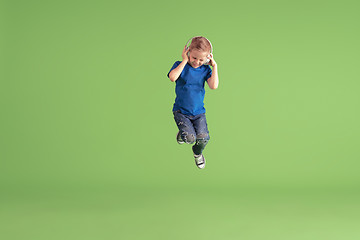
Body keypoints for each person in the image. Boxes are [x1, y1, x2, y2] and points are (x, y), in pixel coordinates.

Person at [167, 36, 219, 169]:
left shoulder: (206, 70)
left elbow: (213, 86)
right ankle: (183, 133)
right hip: (181, 112)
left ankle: (197, 154)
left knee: (203, 138)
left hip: (198, 113)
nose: (197, 62)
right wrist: (185, 60)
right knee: (190, 138)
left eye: (201, 59)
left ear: (208, 58)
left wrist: (214, 66)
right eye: (194, 58)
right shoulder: (180, 65)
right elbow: (172, 77)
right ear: (188, 52)